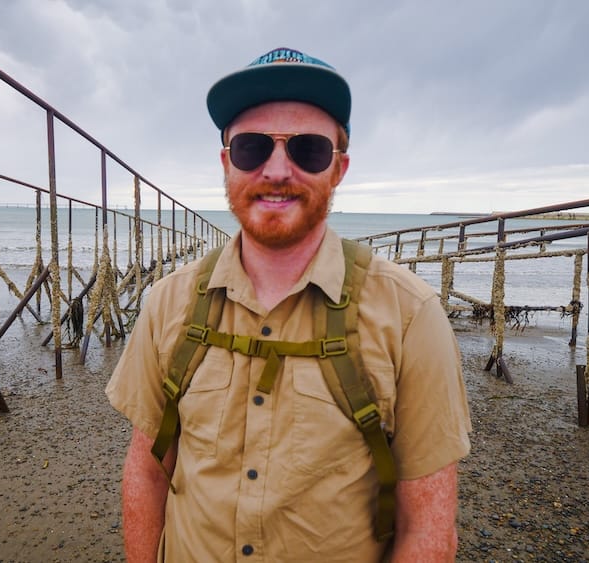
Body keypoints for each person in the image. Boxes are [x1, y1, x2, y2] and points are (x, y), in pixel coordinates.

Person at [106, 47, 472, 562]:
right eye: (253, 148)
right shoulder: (169, 303)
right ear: (226, 163)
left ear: (339, 169)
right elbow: (147, 472)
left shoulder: (409, 315)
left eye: (309, 150)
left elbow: (427, 525)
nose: (278, 170)